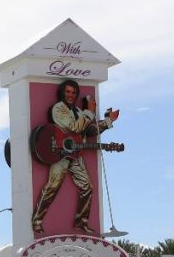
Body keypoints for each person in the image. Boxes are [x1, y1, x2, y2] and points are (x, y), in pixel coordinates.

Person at [31, 79, 119, 234]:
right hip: (60, 153)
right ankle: (37, 220)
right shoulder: (59, 109)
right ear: (62, 92)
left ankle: (81, 222)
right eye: (68, 92)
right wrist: (90, 112)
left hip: (75, 153)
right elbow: (73, 127)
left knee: (87, 186)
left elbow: (89, 131)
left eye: (73, 92)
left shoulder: (79, 111)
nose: (71, 95)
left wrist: (108, 121)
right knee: (52, 187)